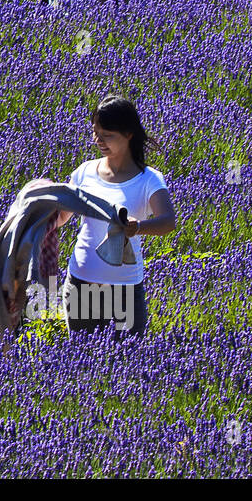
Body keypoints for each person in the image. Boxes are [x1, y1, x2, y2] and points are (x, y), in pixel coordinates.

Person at [63, 95, 176, 337]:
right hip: (82, 281)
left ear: (128, 134)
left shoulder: (149, 179)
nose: (98, 140)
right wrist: (47, 198)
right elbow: (63, 217)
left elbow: (168, 222)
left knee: (129, 361)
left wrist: (139, 227)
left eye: (107, 135)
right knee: (84, 361)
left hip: (124, 287)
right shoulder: (85, 172)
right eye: (95, 132)